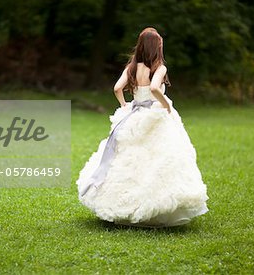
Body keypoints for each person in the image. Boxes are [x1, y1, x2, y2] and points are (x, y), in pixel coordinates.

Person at [76, 27, 209, 227]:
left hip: (135, 114)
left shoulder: (132, 67)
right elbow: (155, 88)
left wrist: (124, 105)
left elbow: (117, 88)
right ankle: (154, 209)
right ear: (156, 47)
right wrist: (165, 105)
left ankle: (123, 205)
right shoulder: (159, 67)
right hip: (154, 115)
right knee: (159, 156)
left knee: (130, 158)